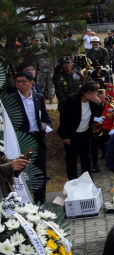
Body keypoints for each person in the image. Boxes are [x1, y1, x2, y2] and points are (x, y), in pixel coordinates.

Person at [11, 71, 51, 204]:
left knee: (40, 172)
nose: (20, 84)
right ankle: (25, 202)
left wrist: (45, 125)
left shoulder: (38, 97)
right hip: (22, 140)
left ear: (31, 83)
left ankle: (41, 203)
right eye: (18, 82)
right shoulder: (11, 100)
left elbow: (45, 117)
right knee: (24, 172)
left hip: (38, 140)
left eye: (23, 81)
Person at [57, 81, 102, 180]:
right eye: (91, 93)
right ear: (84, 92)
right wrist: (65, 136)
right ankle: (73, 181)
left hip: (85, 133)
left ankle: (88, 180)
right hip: (71, 133)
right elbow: (64, 118)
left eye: (95, 93)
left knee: (86, 157)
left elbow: (98, 115)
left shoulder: (93, 101)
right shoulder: (72, 100)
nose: (94, 95)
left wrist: (99, 104)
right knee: (71, 159)